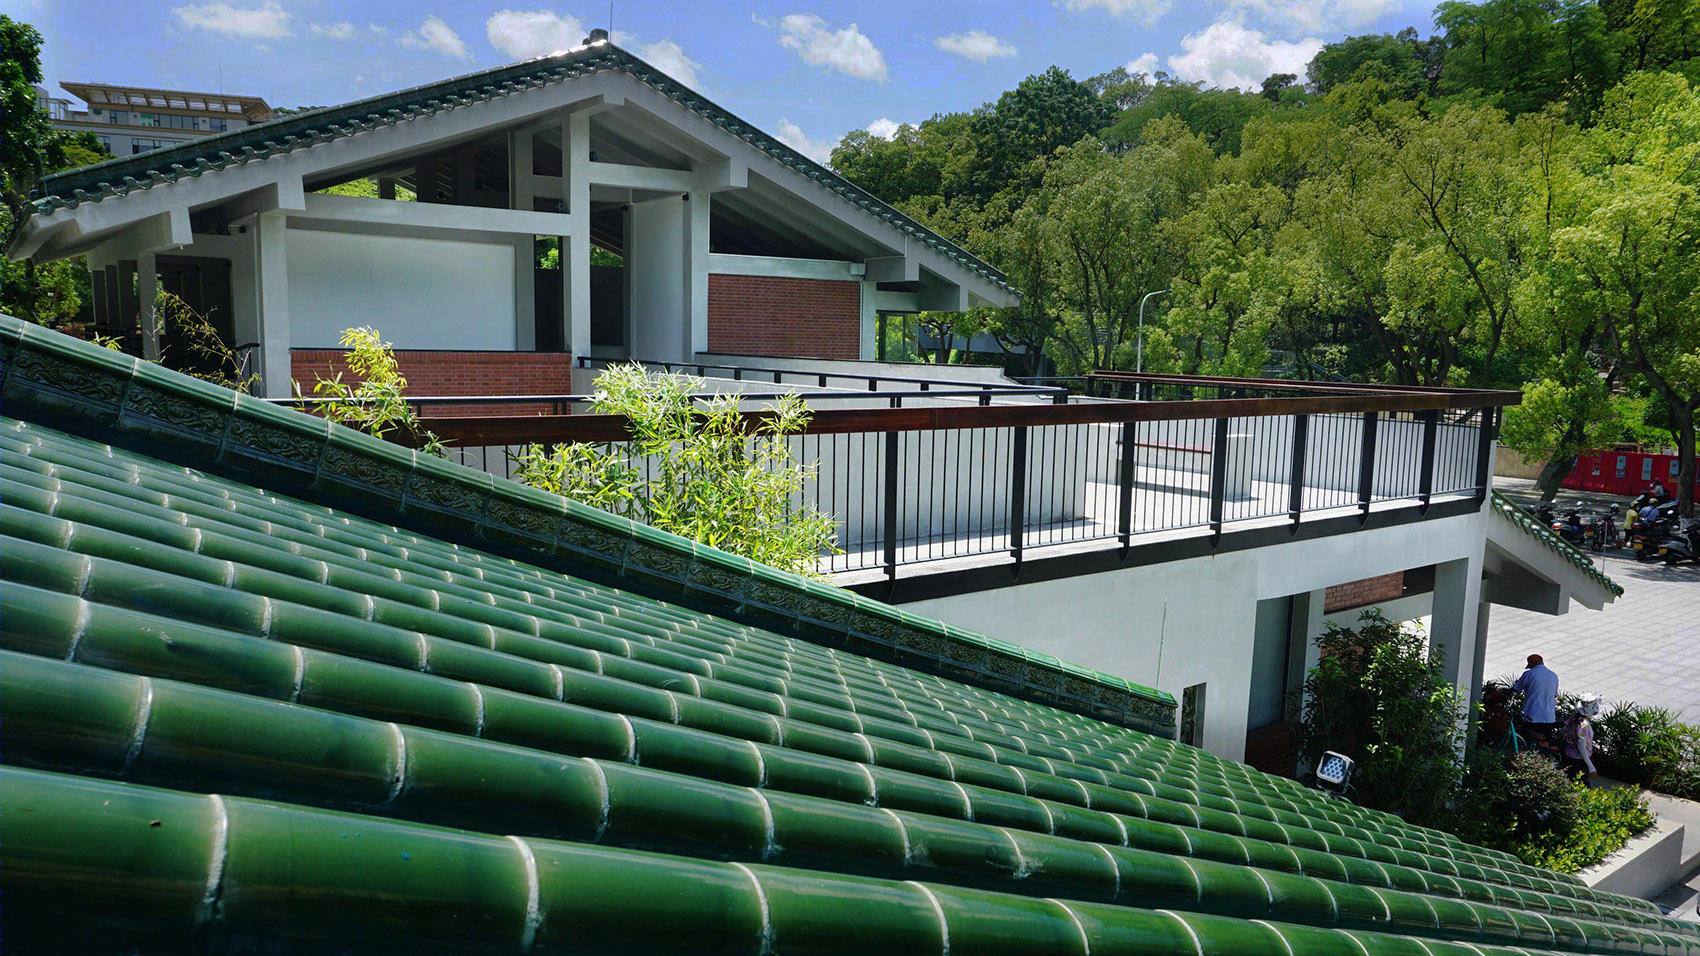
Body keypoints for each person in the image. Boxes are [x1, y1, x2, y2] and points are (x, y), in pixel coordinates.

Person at [1511, 654, 1560, 742]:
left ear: (1531, 664)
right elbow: (1555, 695)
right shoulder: (1554, 676)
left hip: (1531, 715)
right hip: (1549, 717)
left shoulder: (1529, 674)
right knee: (1545, 743)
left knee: (1528, 741)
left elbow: (1516, 690)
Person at [1561, 695, 1601, 783]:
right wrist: (1591, 767)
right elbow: (1581, 747)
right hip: (1579, 761)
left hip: (1568, 754)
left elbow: (1563, 731)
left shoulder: (1574, 717)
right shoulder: (1584, 726)